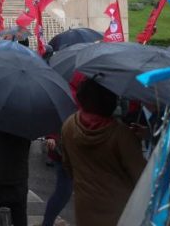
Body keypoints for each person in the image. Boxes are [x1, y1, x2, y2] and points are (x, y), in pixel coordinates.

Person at [61, 78, 146, 226]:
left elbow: (67, 165)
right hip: (118, 210)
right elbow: (141, 176)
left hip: (85, 207)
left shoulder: (69, 125)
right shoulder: (121, 135)